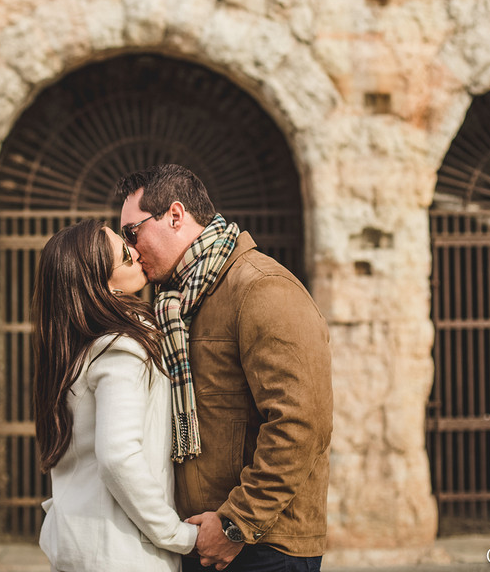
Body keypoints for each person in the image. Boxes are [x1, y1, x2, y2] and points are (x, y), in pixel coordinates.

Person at [115, 164, 332, 572]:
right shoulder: (177, 302)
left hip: (264, 546)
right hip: (204, 541)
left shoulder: (262, 289)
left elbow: (301, 424)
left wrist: (235, 524)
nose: (130, 249)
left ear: (175, 216)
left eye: (132, 232)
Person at [33, 219, 199, 572]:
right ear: (100, 284)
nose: (137, 253)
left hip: (79, 544)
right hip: (121, 555)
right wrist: (179, 536)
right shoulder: (120, 349)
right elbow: (118, 457)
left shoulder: (77, 351)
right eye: (126, 255)